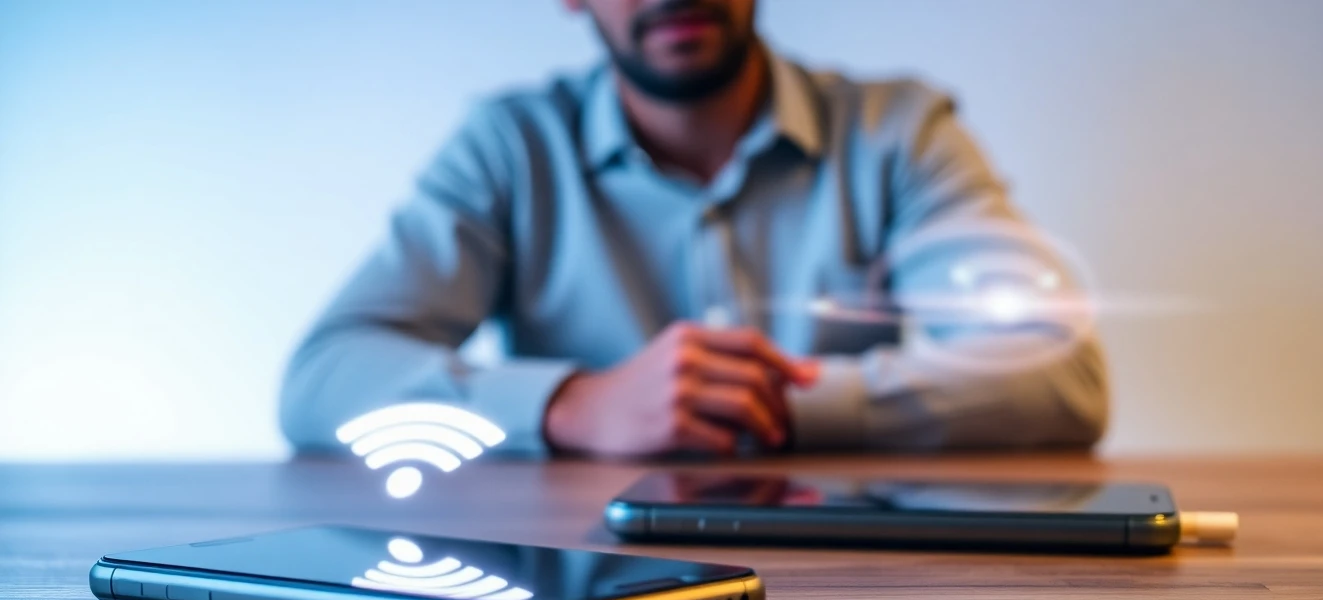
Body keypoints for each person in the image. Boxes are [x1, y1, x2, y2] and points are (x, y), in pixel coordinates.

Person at [279, 0, 1109, 458]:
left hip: (860, 589)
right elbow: (324, 379)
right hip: (582, 581)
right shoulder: (509, 145)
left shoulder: (898, 130)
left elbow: (1059, 373)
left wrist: (772, 406)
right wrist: (574, 407)